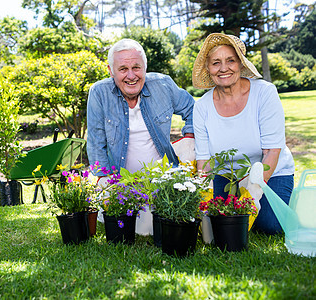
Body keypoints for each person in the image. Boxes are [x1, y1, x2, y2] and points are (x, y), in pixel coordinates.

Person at [87, 38, 195, 235]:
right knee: (127, 227)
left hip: (162, 182)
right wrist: (105, 181)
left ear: (145, 67)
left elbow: (193, 109)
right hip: (121, 185)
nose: (131, 76)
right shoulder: (99, 93)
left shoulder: (163, 85)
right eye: (123, 69)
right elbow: (96, 141)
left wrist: (189, 137)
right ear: (111, 71)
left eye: (136, 67)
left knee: (158, 226)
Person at [192, 33, 295, 235]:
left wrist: (250, 195)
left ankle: (284, 199)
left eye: (230, 60)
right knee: (216, 221)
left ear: (240, 64)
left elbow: (272, 151)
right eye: (216, 63)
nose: (223, 68)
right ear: (208, 69)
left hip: (272, 171)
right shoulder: (202, 106)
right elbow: (204, 161)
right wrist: (203, 198)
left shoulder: (264, 93)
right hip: (227, 176)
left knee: (270, 226)